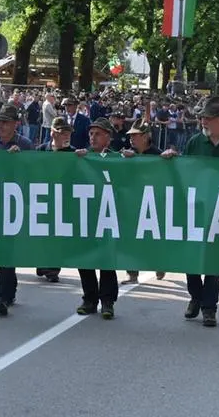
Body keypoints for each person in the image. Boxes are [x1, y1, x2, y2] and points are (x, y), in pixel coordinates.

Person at [161, 95, 219, 327]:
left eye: (208, 118)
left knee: (215, 260)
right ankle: (195, 296)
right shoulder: (195, 142)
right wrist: (172, 159)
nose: (203, 122)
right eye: (201, 118)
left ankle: (209, 307)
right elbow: (185, 172)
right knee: (192, 257)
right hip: (197, 209)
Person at [0, 106, 35, 316]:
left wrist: (21, 159)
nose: (1, 126)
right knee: (3, 250)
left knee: (7, 249)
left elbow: (36, 172)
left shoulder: (25, 145)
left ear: (15, 124)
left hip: (16, 204)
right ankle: (9, 291)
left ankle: (2, 296)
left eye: (5, 122)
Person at [74, 117, 121, 318]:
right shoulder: (81, 157)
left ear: (108, 138)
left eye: (98, 134)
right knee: (85, 257)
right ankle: (89, 298)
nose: (93, 137)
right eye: (91, 134)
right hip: (85, 214)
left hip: (109, 215)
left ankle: (108, 301)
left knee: (106, 258)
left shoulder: (117, 159)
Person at [121, 119, 165, 285]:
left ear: (146, 136)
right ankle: (132, 273)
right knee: (130, 236)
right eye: (130, 136)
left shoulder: (157, 154)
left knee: (153, 237)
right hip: (132, 201)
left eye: (135, 135)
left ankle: (159, 263)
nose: (131, 139)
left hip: (152, 202)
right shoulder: (126, 153)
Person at [32, 116, 74, 284]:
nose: (66, 136)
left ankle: (53, 268)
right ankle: (43, 263)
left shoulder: (73, 153)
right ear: (53, 133)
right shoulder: (42, 150)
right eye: (62, 133)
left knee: (57, 235)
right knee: (42, 233)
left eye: (68, 133)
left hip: (63, 200)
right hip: (43, 197)